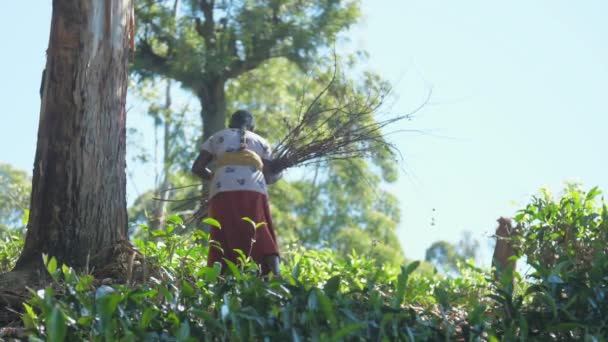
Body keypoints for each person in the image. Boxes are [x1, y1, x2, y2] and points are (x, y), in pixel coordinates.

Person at [191, 110, 282, 275]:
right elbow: (269, 177)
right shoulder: (261, 141)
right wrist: (281, 169)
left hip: (221, 188)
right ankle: (277, 275)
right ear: (251, 128)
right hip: (254, 188)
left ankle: (218, 279)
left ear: (230, 124)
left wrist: (214, 177)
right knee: (260, 229)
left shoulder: (217, 137)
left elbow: (197, 168)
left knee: (222, 232)